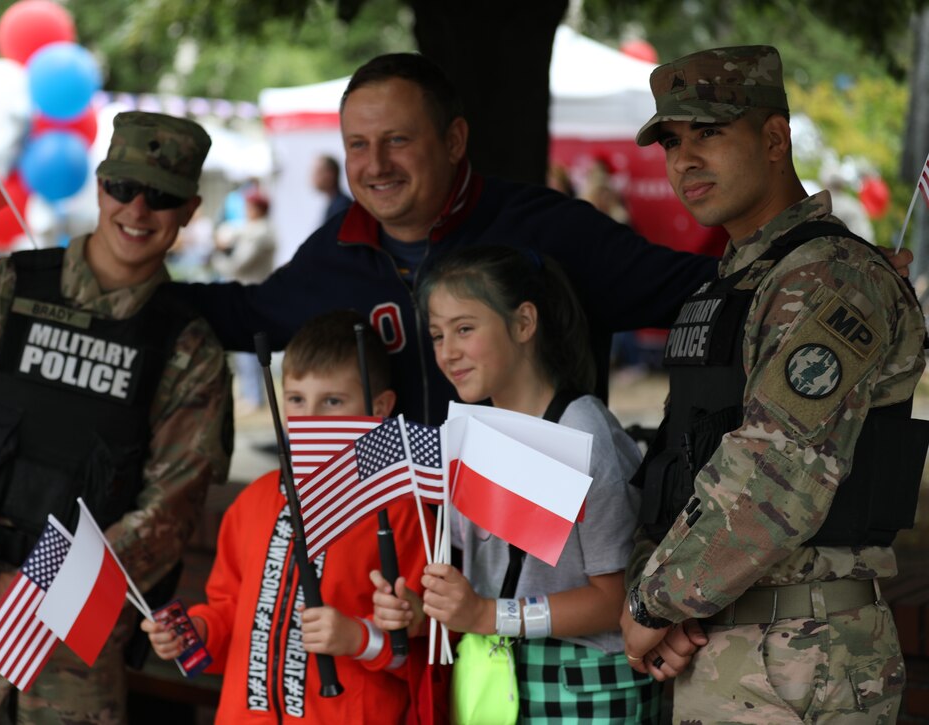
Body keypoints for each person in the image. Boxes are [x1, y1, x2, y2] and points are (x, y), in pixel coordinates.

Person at [0, 111, 234, 723]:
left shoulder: (187, 348)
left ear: (190, 210)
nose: (138, 210)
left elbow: (168, 512)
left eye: (163, 196)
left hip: (78, 640)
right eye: (124, 187)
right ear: (99, 185)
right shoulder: (0, 289)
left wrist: (44, 596)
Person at [619, 46, 926, 724]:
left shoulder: (830, 276)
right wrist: (670, 601)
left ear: (774, 138)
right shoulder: (736, 282)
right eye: (672, 140)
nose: (685, 159)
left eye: (708, 133)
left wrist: (653, 603)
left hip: (802, 661)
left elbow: (775, 477)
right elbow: (689, 457)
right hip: (727, 642)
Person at [172, 52, 724, 425]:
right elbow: (246, 315)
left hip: (534, 564)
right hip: (401, 563)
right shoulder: (335, 249)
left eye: (397, 139)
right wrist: (112, 280)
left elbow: (705, 290)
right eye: (358, 145)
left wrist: (797, 249)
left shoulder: (547, 230)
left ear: (454, 139)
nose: (376, 164)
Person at [373, 246, 660, 722]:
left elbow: (616, 603)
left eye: (465, 328)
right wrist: (425, 610)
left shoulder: (583, 432)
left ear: (525, 323)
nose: (447, 352)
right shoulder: (472, 433)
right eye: (437, 334)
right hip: (498, 681)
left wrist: (488, 615)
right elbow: (482, 591)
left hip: (585, 686)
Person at [142, 309, 430, 722]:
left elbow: (426, 660)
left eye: (332, 401)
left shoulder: (402, 516)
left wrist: (359, 637)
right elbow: (228, 611)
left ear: (379, 407)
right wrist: (196, 633)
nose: (310, 418)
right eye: (296, 400)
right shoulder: (253, 502)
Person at [212, 191, 278, 410]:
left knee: (251, 350)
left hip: (252, 296)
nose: (246, 211)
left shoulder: (260, 233)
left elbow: (237, 265)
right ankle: (252, 394)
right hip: (247, 296)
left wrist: (219, 254)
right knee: (246, 350)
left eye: (250, 207)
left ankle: (255, 397)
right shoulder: (254, 230)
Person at [313, 153, 353, 223]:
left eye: (318, 172)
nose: (313, 177)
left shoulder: (341, 206)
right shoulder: (333, 204)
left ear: (329, 175)